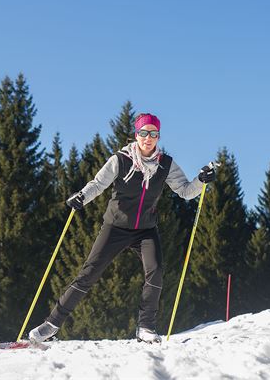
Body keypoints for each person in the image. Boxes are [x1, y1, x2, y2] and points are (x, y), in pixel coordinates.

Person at [28, 113, 216, 344]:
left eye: (153, 134)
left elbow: (186, 191)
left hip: (145, 230)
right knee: (89, 273)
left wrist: (200, 179)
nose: (148, 138)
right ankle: (51, 324)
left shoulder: (165, 164)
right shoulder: (121, 160)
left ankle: (146, 328)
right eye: (143, 133)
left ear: (158, 136)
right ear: (136, 135)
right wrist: (81, 197)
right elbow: (98, 184)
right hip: (115, 227)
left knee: (155, 271)